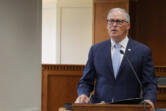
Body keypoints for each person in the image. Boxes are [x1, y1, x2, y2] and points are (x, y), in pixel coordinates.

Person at [75, 8, 157, 111]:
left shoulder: (142, 51)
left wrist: (149, 100)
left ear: (128, 25)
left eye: (119, 21)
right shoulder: (96, 50)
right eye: (110, 21)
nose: (114, 25)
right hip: (100, 107)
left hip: (129, 108)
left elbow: (149, 83)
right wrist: (83, 94)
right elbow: (86, 81)